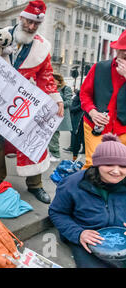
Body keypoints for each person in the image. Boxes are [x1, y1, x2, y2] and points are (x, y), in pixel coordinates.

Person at [0, 0, 64, 204]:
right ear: (21, 18)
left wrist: (57, 100)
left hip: (24, 103)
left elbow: (46, 76)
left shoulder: (42, 47)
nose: (31, 26)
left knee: (32, 141)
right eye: (28, 21)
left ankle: (35, 184)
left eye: (35, 24)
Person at [49, 133, 126, 268]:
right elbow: (57, 212)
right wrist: (78, 234)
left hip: (120, 235)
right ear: (97, 164)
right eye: (109, 164)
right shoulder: (72, 184)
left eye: (123, 166)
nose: (116, 171)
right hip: (88, 237)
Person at [80, 29, 126, 169]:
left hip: (123, 128)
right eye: (121, 51)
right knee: (93, 165)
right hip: (96, 125)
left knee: (120, 167)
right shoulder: (99, 67)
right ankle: (86, 190)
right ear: (116, 50)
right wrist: (92, 112)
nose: (124, 55)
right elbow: (84, 94)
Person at [48, 73, 73, 162]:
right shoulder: (51, 89)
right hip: (50, 116)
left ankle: (55, 154)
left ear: (58, 81)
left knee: (54, 136)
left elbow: (69, 102)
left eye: (53, 80)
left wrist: (57, 104)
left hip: (59, 116)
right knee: (49, 136)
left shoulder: (66, 88)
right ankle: (51, 153)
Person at [65, 90, 86, 161]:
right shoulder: (77, 98)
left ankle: (84, 151)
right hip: (77, 123)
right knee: (76, 141)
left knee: (84, 139)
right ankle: (74, 158)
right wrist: (82, 105)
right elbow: (72, 109)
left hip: (86, 123)